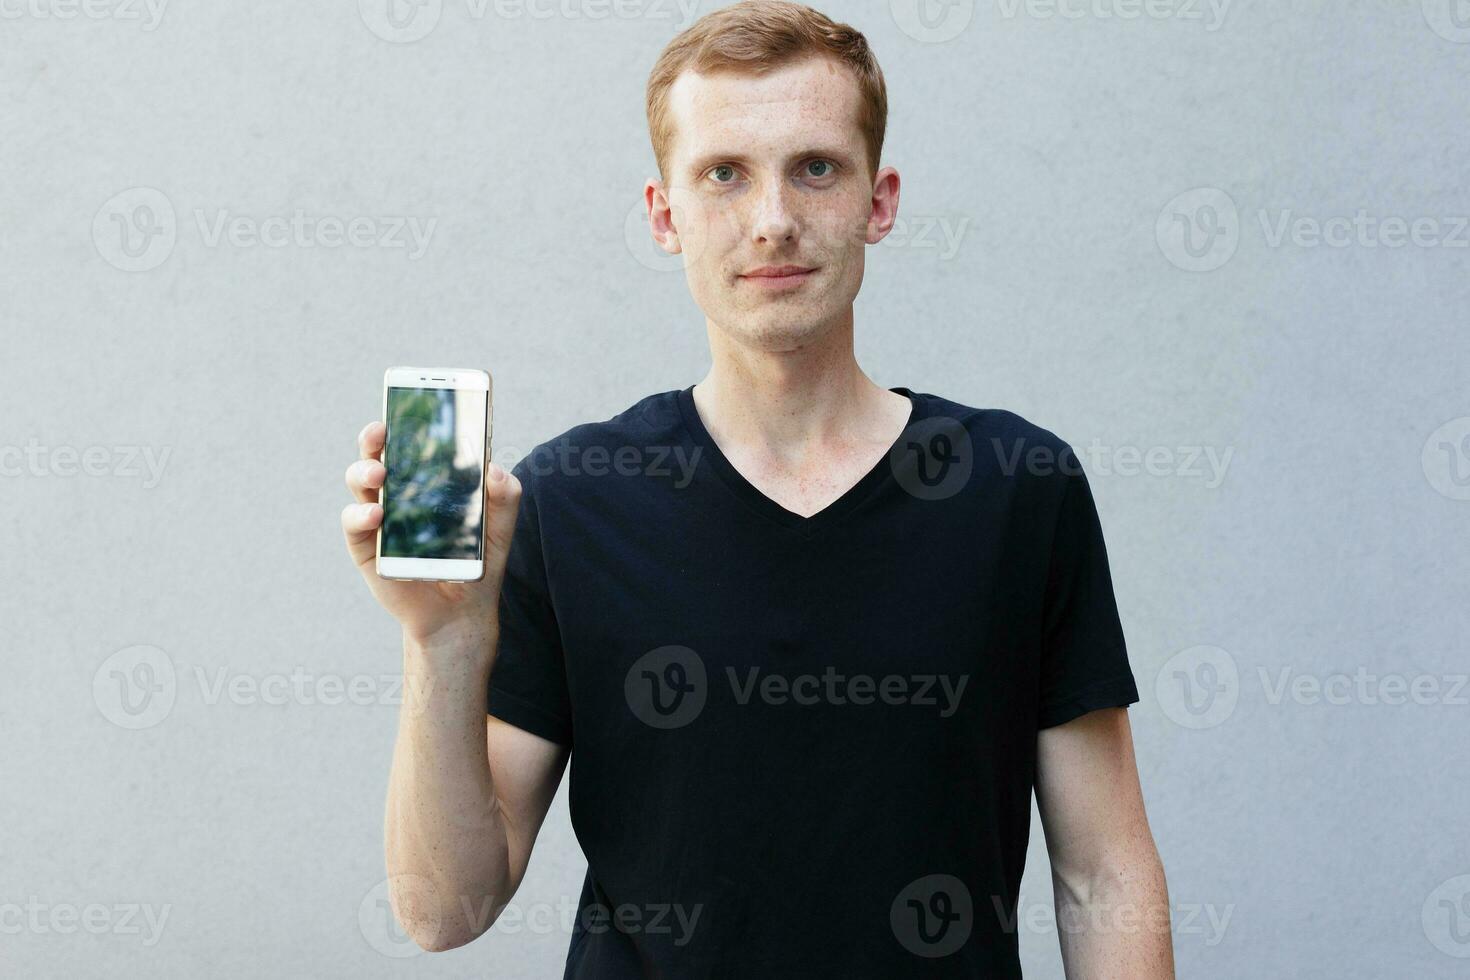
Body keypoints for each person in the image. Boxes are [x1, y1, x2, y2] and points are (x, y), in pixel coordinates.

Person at [341, 2, 1174, 976]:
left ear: (879, 199)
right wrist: (443, 642)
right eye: (724, 174)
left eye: (815, 167)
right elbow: (447, 909)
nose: (773, 219)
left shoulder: (1017, 491)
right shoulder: (569, 502)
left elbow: (1101, 869)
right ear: (666, 214)